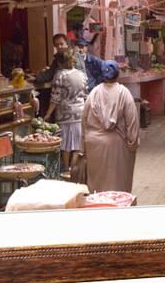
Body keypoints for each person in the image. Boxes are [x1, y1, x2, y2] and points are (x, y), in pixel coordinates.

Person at [81, 60, 140, 193]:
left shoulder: (93, 93)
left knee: (97, 186)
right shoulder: (124, 93)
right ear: (118, 74)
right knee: (118, 186)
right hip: (117, 146)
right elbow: (132, 122)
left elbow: (83, 120)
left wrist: (83, 146)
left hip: (94, 144)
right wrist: (132, 144)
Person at [43, 49, 88, 171]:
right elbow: (85, 94)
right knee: (78, 145)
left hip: (65, 115)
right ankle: (75, 171)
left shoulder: (60, 75)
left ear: (60, 62)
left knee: (66, 146)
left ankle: (67, 170)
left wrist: (47, 114)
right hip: (80, 113)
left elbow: (55, 99)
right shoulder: (81, 74)